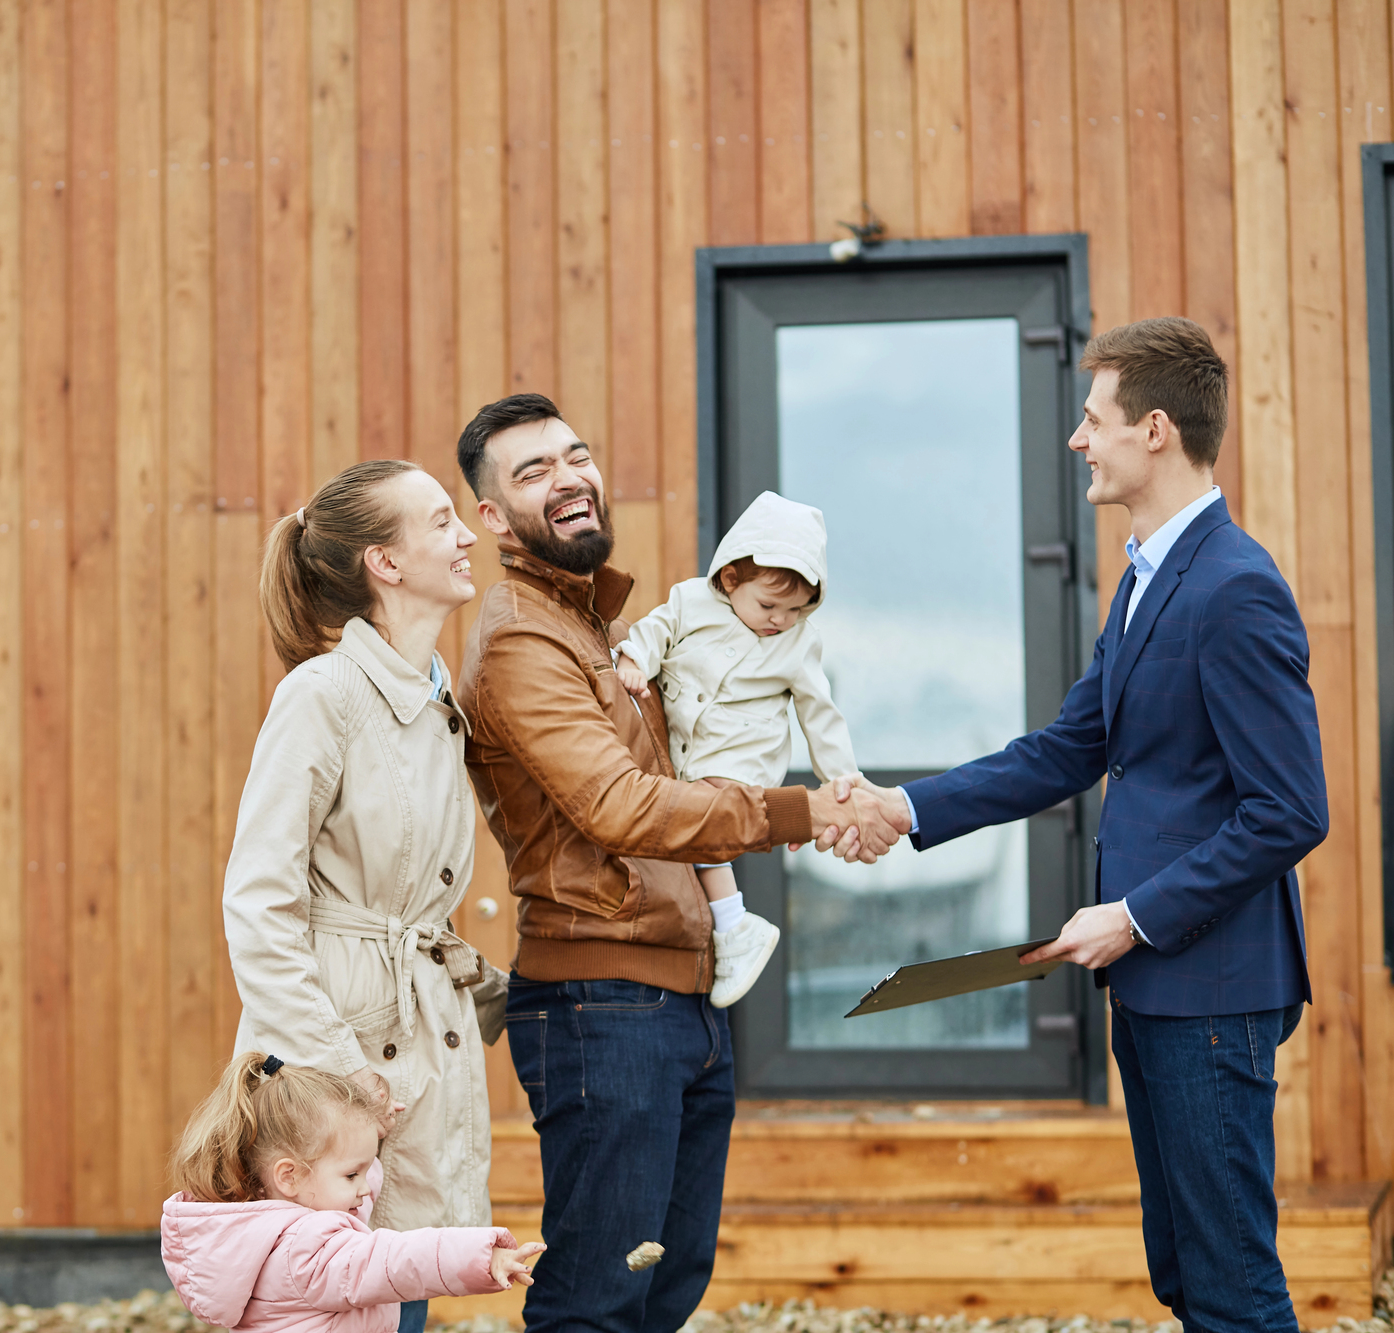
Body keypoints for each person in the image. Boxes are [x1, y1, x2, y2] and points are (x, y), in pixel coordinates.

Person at [847, 317, 1328, 1332]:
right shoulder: (1148, 577)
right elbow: (1068, 748)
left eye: (1092, 418)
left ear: (1153, 430)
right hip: (1157, 986)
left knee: (1232, 1285)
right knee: (1186, 1275)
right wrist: (903, 807)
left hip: (1207, 988)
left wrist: (1135, 916)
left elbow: (1288, 809)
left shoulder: (1234, 588)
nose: (1076, 438)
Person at [452, 394, 897, 1333]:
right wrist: (801, 808)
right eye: (532, 472)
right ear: (491, 516)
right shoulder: (526, 638)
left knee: (666, 1286)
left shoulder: (601, 628)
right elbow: (619, 804)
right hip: (602, 999)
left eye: (575, 455)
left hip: (679, 995)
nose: (568, 477)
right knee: (597, 1301)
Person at [222, 458, 510, 1333]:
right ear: (384, 562)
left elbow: (421, 903)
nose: (467, 535)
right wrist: (333, 1059)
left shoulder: (439, 703)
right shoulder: (321, 695)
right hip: (339, 1042)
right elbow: (256, 901)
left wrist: (507, 994)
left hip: (423, 1029)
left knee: (405, 1271)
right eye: (438, 521)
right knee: (342, 1290)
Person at [612, 490, 858, 1007]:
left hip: (744, 753)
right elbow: (657, 630)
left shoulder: (798, 642)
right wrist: (635, 657)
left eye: (796, 609)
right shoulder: (690, 602)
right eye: (769, 606)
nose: (780, 620)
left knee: (703, 818)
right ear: (730, 579)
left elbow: (819, 711)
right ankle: (723, 927)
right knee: (685, 822)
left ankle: (735, 925)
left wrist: (842, 779)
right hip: (687, 752)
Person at [160, 1053, 545, 1332]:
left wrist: (362, 1137)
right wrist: (481, 1257)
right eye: (352, 1174)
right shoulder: (307, 1250)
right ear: (289, 1176)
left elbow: (349, 1194)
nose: (365, 1187)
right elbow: (393, 1260)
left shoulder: (258, 1234)